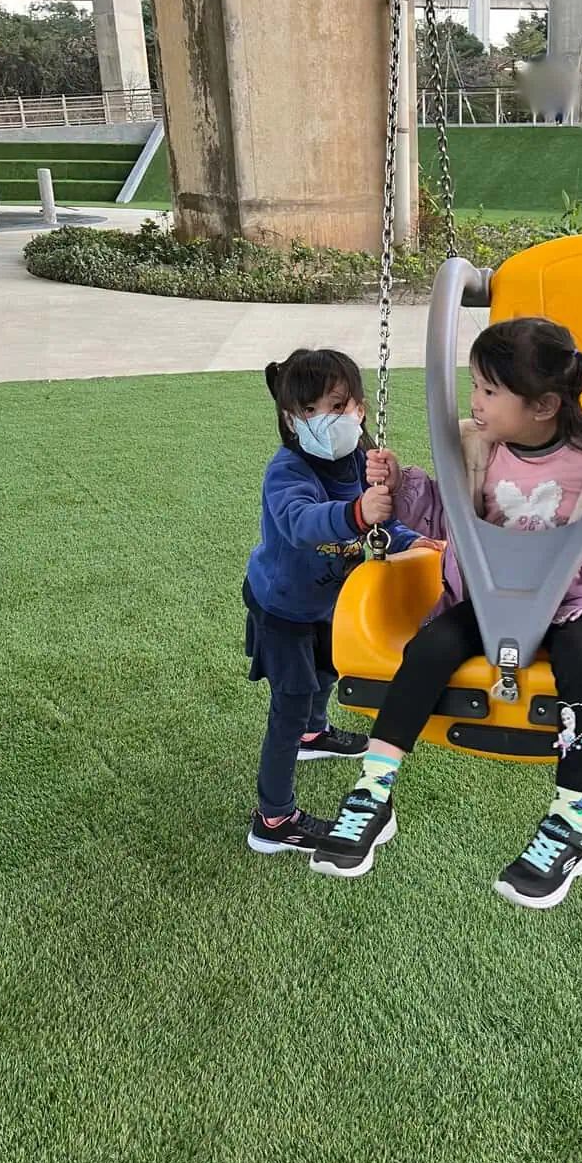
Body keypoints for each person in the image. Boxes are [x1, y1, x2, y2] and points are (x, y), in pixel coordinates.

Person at [306, 318, 582, 909]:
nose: (474, 402)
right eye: (474, 385)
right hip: (488, 594)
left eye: (489, 391)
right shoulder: (478, 450)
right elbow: (446, 522)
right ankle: (374, 792)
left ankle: (571, 821)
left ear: (545, 405)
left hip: (578, 599)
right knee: (427, 650)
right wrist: (401, 485)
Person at [244, 348, 428, 857]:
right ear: (290, 419)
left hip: (329, 602)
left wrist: (413, 539)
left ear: (360, 409)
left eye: (338, 405)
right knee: (290, 699)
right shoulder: (287, 471)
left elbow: (384, 518)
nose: (326, 419)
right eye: (310, 411)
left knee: (329, 669)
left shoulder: (359, 459)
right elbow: (303, 523)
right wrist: (356, 512)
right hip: (281, 605)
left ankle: (314, 734)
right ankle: (273, 818)